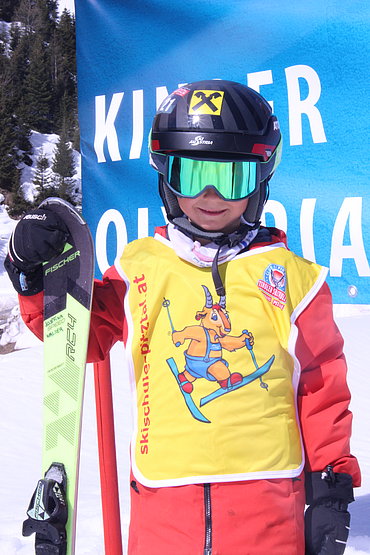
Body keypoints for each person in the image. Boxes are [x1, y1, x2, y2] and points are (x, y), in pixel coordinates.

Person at [5, 80, 361, 555]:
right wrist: (31, 274)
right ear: (166, 177)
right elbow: (77, 341)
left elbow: (321, 390)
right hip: (161, 518)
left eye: (231, 177)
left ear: (260, 179)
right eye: (192, 175)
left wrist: (330, 485)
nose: (211, 195)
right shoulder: (138, 268)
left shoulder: (296, 281)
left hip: (269, 514)